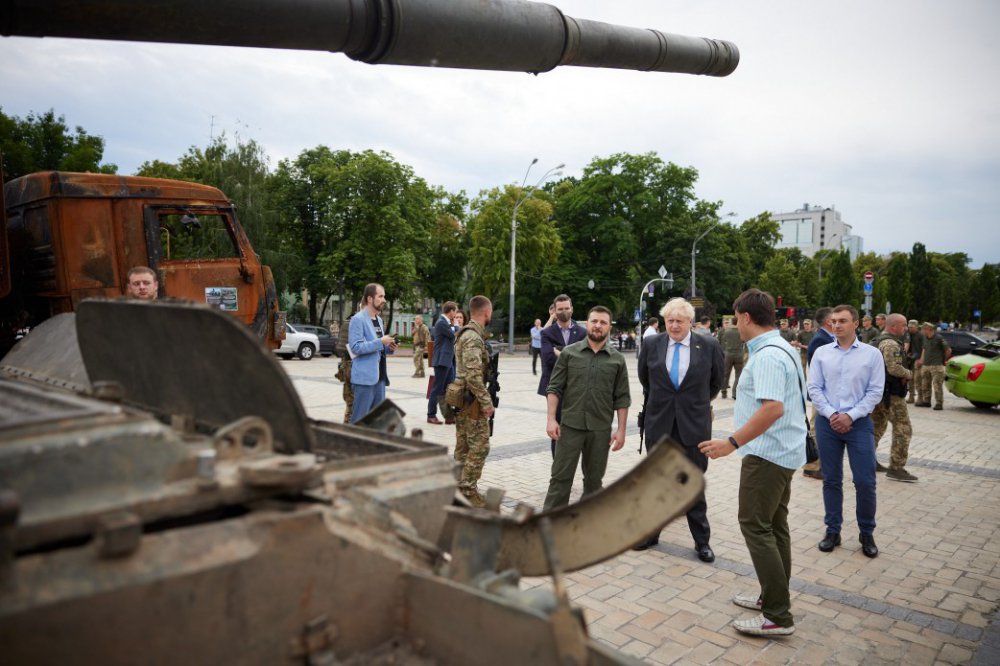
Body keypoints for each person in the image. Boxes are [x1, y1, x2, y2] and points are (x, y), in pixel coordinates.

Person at [697, 288, 806, 637]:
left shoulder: (768, 356)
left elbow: (772, 408)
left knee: (755, 525)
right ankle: (772, 597)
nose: (735, 325)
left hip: (768, 454)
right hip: (781, 451)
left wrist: (731, 443)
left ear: (745, 318)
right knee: (774, 526)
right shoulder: (781, 348)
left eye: (735, 318)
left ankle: (777, 615)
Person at [634, 298, 724, 562]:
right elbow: (645, 379)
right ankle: (651, 533)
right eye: (669, 320)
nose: (674, 325)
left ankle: (702, 542)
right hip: (659, 424)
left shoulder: (708, 345)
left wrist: (692, 405)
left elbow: (715, 383)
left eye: (679, 321)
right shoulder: (651, 344)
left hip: (693, 426)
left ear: (690, 322)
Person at [808, 304, 884, 559]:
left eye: (842, 320)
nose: (837, 325)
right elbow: (814, 389)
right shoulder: (821, 353)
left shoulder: (871, 354)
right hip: (828, 423)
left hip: (859, 423)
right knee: (831, 479)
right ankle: (832, 531)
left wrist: (850, 415)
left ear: (855, 323)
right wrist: (832, 415)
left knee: (865, 481)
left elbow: (875, 392)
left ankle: (866, 532)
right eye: (833, 321)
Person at [542, 306, 630, 510]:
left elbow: (622, 398)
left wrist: (622, 430)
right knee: (560, 479)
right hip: (570, 427)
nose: (598, 326)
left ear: (609, 327)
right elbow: (554, 388)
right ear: (587, 324)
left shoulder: (617, 359)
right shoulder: (569, 353)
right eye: (594, 321)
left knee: (594, 482)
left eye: (603, 322)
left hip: (600, 430)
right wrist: (551, 419)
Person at [454, 295, 496, 506]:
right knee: (479, 446)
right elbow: (472, 375)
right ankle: (468, 491)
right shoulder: (473, 337)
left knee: (463, 447)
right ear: (486, 312)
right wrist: (486, 402)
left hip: (463, 399)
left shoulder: (466, 333)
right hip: (471, 402)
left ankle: (458, 489)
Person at [538, 295, 587, 457]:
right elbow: (547, 358)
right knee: (556, 427)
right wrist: (572, 355)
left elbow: (585, 359)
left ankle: (571, 462)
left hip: (577, 386)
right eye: (560, 309)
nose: (564, 311)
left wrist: (559, 351)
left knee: (576, 427)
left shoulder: (582, 332)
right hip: (554, 387)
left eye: (567, 308)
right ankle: (558, 467)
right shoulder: (546, 333)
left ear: (572, 309)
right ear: (554, 311)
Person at [871, 314, 917, 482]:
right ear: (894, 326)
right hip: (891, 395)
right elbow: (894, 368)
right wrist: (909, 374)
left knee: (876, 428)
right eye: (903, 325)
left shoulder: (876, 341)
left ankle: (868, 461)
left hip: (878, 394)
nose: (905, 329)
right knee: (903, 428)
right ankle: (897, 467)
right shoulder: (891, 344)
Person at [348, 283, 398, 424]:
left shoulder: (379, 320)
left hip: (380, 377)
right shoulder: (358, 319)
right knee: (359, 421)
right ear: (370, 299)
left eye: (384, 296)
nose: (384, 300)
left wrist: (389, 348)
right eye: (380, 296)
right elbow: (355, 347)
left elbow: (379, 349)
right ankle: (352, 445)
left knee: (376, 421)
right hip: (365, 379)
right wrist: (381, 342)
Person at [802, 307, 836, 480]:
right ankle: (812, 465)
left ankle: (819, 464)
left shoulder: (829, 338)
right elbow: (820, 369)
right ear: (828, 321)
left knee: (822, 427)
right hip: (821, 392)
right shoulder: (820, 340)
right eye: (834, 318)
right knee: (816, 427)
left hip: (829, 392)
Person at [427, 301, 459, 425]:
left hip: (448, 360)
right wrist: (456, 325)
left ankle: (449, 416)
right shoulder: (441, 323)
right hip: (441, 361)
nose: (455, 314)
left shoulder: (446, 323)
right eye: (455, 311)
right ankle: (431, 415)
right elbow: (454, 334)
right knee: (437, 388)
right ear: (450, 311)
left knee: (449, 388)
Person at [916, 322, 951, 410]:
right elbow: (924, 349)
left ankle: (939, 403)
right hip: (926, 365)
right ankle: (926, 401)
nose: (921, 330)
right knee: (925, 384)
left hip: (937, 365)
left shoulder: (938, 338)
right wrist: (921, 360)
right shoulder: (925, 338)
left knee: (937, 386)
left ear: (928, 329)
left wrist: (944, 360)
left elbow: (948, 350)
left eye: (923, 329)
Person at [718, 317, 745, 400]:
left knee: (725, 373)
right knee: (738, 375)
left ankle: (724, 392)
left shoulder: (726, 331)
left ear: (731, 322)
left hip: (728, 354)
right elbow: (744, 341)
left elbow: (722, 341)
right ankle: (735, 393)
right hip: (739, 354)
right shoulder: (741, 331)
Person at [905, 319, 923, 404]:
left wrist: (921, 359)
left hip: (918, 360)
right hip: (911, 360)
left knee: (918, 380)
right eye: (909, 327)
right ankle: (911, 397)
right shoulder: (908, 335)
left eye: (912, 327)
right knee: (910, 380)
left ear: (916, 327)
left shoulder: (920, 335)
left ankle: (920, 398)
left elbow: (924, 348)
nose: (910, 328)